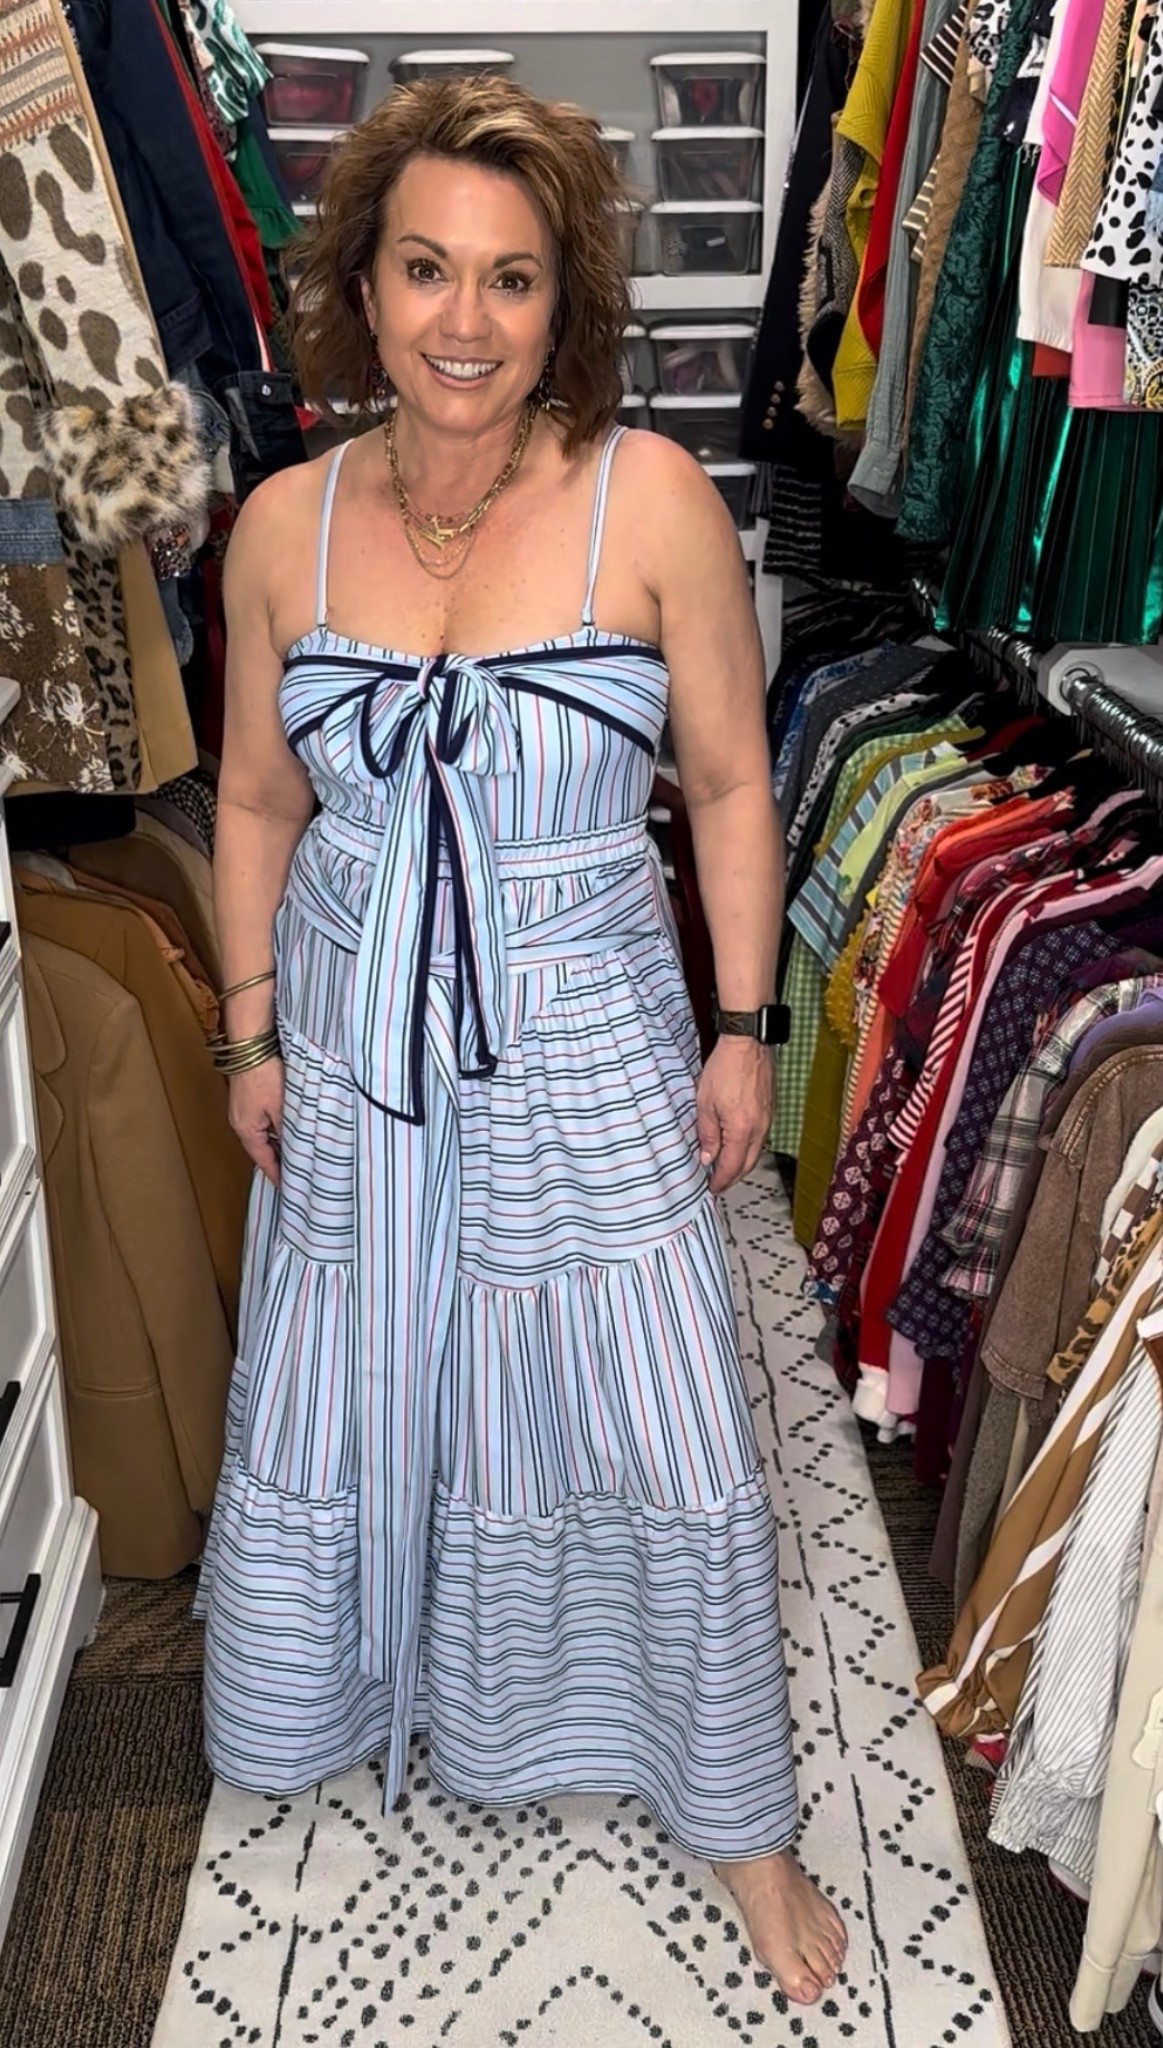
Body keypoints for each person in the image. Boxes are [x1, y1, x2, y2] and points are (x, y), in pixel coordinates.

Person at [195, 73, 847, 2007]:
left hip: (585, 1037)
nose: (462, 323)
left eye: (511, 279)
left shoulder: (645, 500)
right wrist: (248, 1034)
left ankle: (733, 1811)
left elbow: (731, 789)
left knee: (653, 1409)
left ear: (568, 306)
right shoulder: (279, 531)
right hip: (348, 1040)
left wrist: (741, 1028)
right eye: (423, 272)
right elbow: (249, 804)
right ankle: (362, 1695)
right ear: (361, 288)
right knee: (359, 1373)